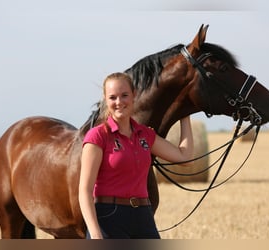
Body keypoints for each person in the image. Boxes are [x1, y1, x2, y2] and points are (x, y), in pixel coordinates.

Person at [78, 72, 193, 239]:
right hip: (108, 218)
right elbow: (85, 191)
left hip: (143, 217)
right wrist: (95, 233)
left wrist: (185, 115)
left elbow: (185, 157)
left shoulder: (145, 134)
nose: (119, 102)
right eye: (112, 97)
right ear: (105, 100)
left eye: (124, 95)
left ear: (134, 95)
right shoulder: (97, 136)